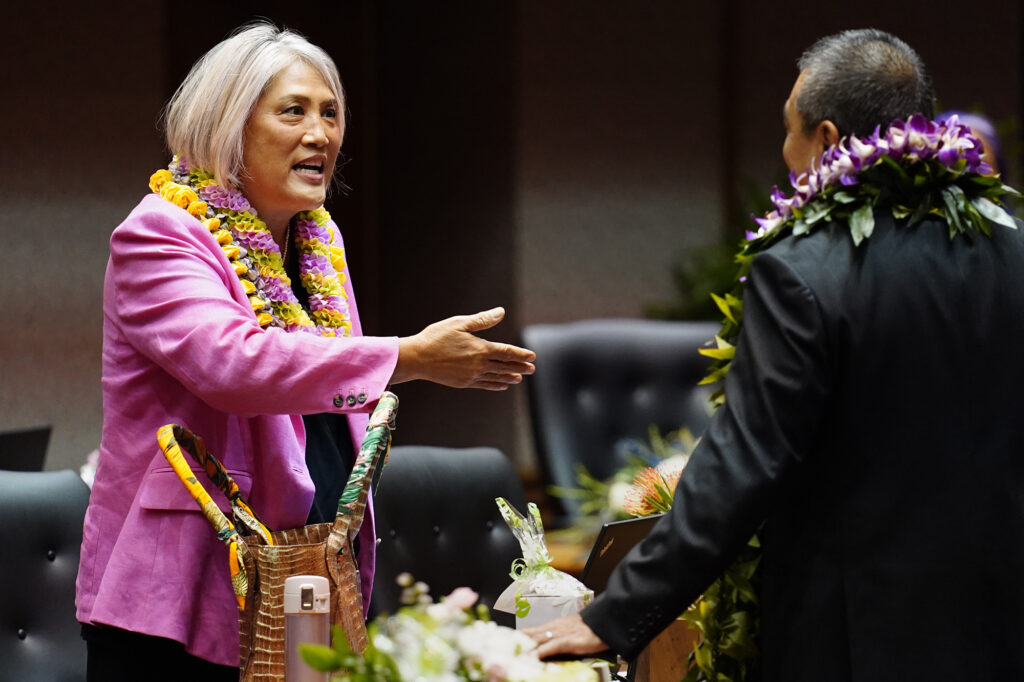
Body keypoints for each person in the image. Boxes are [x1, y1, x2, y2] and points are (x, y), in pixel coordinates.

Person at [527, 29, 1024, 681]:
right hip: (1001, 626)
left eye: (787, 132)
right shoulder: (1012, 249)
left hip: (855, 638)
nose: (784, 154)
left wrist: (614, 615)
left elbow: (744, 464)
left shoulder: (803, 271)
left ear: (826, 141)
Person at [75, 22, 536, 681]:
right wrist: (409, 358)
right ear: (230, 123)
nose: (320, 134)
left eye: (330, 113)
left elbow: (321, 398)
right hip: (182, 586)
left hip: (304, 573)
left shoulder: (318, 242)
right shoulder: (160, 234)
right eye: (293, 111)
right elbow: (235, 367)